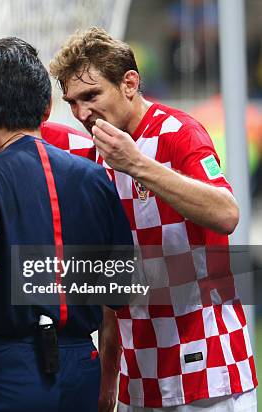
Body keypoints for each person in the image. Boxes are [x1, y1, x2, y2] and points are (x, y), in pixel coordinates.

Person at [50, 27, 257, 411]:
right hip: (140, 376)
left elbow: (227, 213)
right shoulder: (100, 160)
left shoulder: (179, 133)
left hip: (207, 372)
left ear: (129, 83)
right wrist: (109, 377)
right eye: (72, 102)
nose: (81, 113)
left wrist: (139, 165)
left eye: (91, 95)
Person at [0, 37, 133, 412]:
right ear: (48, 108)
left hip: (3, 369)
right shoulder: (93, 176)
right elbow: (120, 288)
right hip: (79, 369)